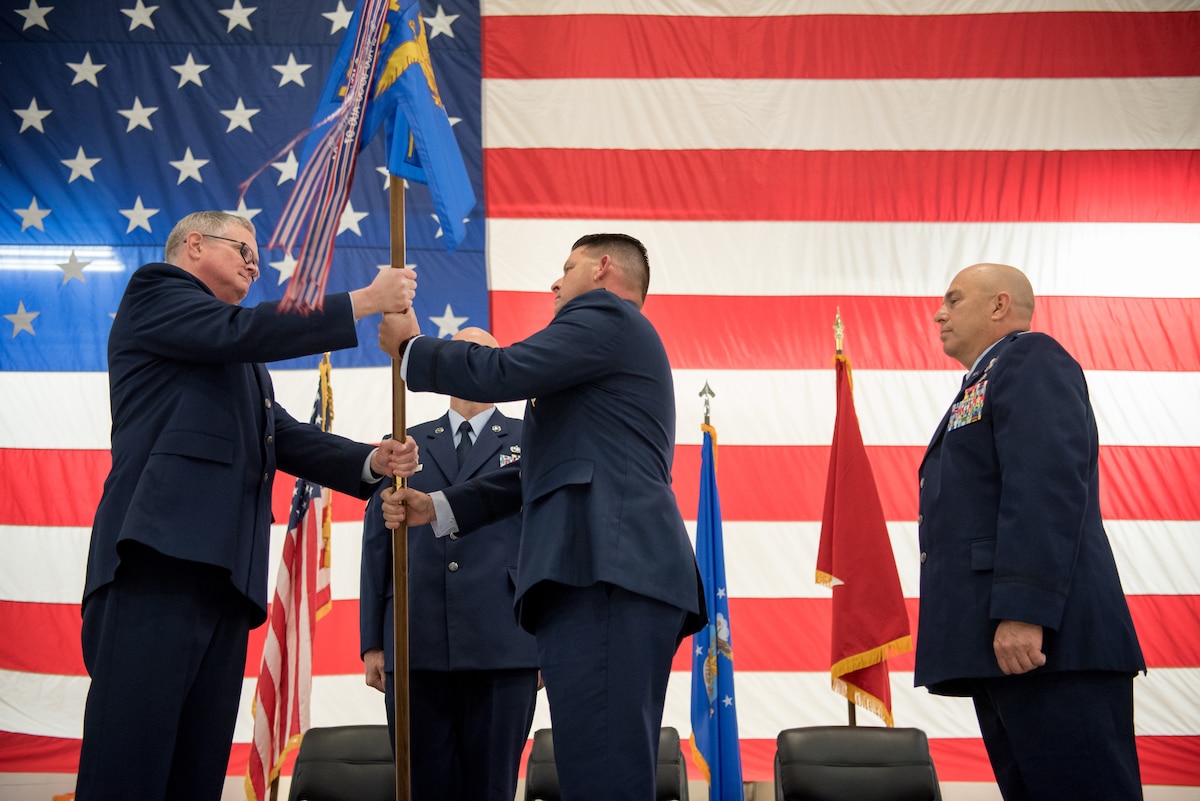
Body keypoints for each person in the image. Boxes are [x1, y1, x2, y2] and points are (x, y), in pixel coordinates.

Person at [76, 211, 420, 801]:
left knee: (196, 770)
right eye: (243, 249)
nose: (254, 264)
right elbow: (245, 330)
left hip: (226, 576)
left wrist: (370, 463)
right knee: (128, 764)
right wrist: (364, 300)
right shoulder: (156, 291)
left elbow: (279, 435)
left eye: (256, 254)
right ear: (193, 244)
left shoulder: (234, 353)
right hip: (157, 560)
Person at [376, 233, 706, 801]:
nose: (555, 282)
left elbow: (504, 371)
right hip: (601, 575)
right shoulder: (605, 355)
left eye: (567, 267)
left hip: (606, 571)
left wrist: (414, 351)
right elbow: (539, 470)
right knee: (593, 765)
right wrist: (441, 506)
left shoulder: (606, 316)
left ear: (603, 270)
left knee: (603, 771)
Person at [915, 262, 1146, 800]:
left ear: (999, 306)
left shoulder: (1031, 359)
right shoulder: (987, 378)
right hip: (1008, 650)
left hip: (1049, 644)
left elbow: (1044, 488)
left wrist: (1025, 610)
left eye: (953, 299)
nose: (938, 313)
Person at [360, 326, 539, 801]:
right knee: (420, 789)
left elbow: (549, 540)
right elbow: (377, 543)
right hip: (415, 644)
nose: (468, 361)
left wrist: (546, 642)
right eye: (459, 352)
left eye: (479, 354)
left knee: (492, 788)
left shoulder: (534, 439)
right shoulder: (404, 444)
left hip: (506, 643)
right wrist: (373, 644)